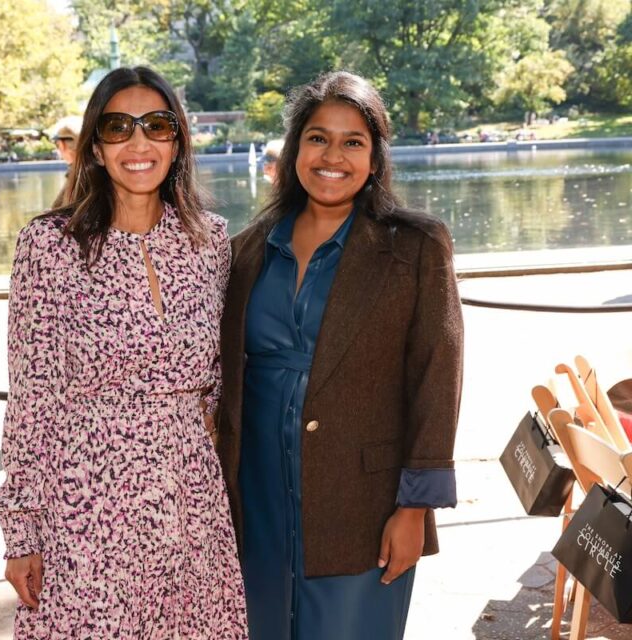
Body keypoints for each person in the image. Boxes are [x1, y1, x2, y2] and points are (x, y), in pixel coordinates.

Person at [0, 66, 248, 639]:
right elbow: (32, 398)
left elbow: (219, 374)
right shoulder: (50, 245)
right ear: (96, 148)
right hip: (87, 498)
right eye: (118, 127)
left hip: (189, 495)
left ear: (177, 141)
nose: (138, 142)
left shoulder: (210, 241)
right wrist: (22, 532)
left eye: (156, 125)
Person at [216, 71, 464, 640]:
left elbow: (437, 379)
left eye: (353, 141)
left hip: (365, 507)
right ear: (294, 150)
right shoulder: (244, 251)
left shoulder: (415, 247)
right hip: (256, 504)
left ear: (375, 158)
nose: (333, 156)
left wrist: (415, 509)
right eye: (318, 138)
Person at [49, 116, 82, 209]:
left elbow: (59, 210)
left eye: (56, 144)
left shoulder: (77, 174)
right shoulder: (99, 169)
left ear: (62, 145)